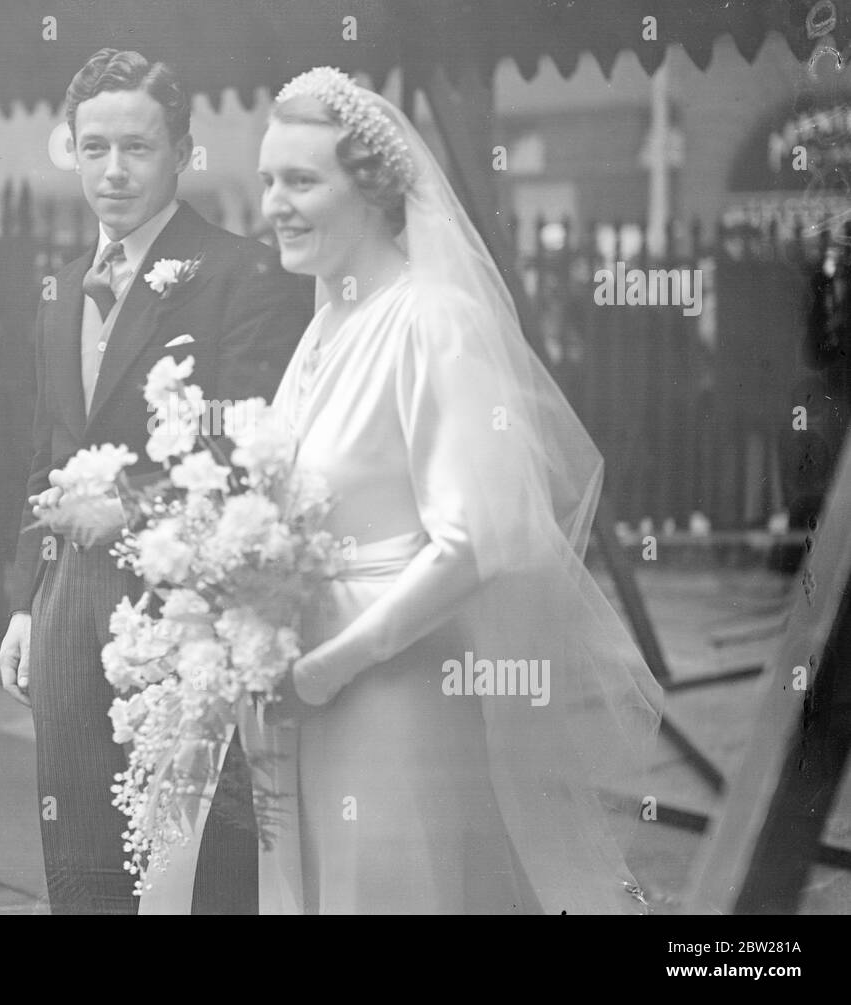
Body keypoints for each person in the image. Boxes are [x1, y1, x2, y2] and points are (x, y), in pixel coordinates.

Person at [145, 68, 663, 915]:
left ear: (376, 190)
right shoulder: (325, 321)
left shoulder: (431, 319)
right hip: (301, 690)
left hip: (394, 694)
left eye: (302, 181)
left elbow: (480, 536)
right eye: (269, 179)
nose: (273, 202)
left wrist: (329, 665)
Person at [0, 49, 312, 914]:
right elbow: (46, 454)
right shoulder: (59, 291)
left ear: (181, 149)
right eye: (93, 147)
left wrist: (128, 509)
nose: (113, 170)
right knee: (81, 841)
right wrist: (29, 602)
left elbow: (250, 460)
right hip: (69, 604)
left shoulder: (243, 275)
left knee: (192, 853)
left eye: (136, 147)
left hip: (184, 611)